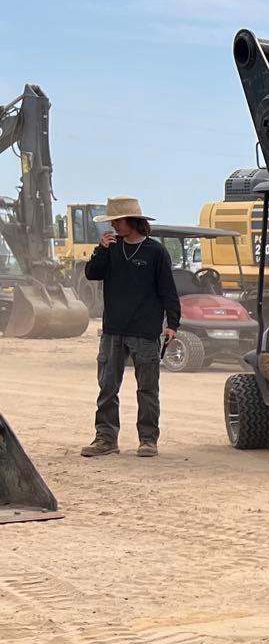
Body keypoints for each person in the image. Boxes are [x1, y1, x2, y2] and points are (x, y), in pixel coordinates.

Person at [81, 195, 179, 458]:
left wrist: (173, 323)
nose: (113, 226)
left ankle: (148, 440)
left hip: (145, 332)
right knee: (107, 386)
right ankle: (105, 439)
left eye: (117, 220)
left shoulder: (156, 252)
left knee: (147, 389)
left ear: (132, 221)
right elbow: (92, 273)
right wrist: (100, 249)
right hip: (113, 330)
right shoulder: (110, 248)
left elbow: (168, 290)